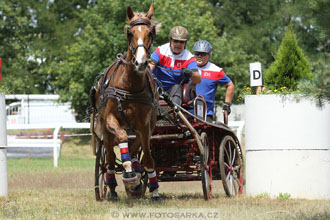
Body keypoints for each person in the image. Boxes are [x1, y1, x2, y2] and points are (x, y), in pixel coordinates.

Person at [149, 26, 201, 105]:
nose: (178, 44)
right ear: (170, 40)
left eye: (181, 42)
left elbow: (198, 79)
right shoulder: (161, 50)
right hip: (155, 88)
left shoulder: (189, 58)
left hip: (174, 91)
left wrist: (191, 74)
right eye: (175, 41)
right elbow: (150, 67)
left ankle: (173, 114)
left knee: (177, 87)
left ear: (185, 43)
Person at [193, 40, 234, 122]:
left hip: (206, 113)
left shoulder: (216, 70)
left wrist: (227, 104)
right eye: (197, 53)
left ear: (209, 55)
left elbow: (230, 85)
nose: (199, 56)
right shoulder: (188, 66)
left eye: (203, 54)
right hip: (186, 112)